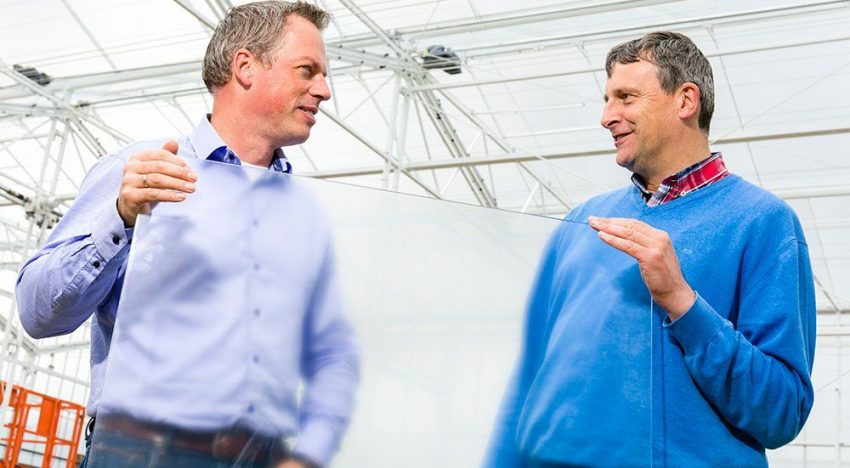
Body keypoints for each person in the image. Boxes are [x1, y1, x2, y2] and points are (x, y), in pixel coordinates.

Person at [15, 2, 358, 467]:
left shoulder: (303, 214)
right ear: (245, 67)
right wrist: (121, 216)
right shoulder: (144, 171)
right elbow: (38, 313)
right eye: (307, 71)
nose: (324, 90)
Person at [484, 31, 816, 467]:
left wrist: (681, 301)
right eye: (607, 100)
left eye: (626, 97)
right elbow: (528, 380)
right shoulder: (580, 223)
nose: (607, 117)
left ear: (686, 101)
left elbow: (782, 413)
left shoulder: (764, 222)